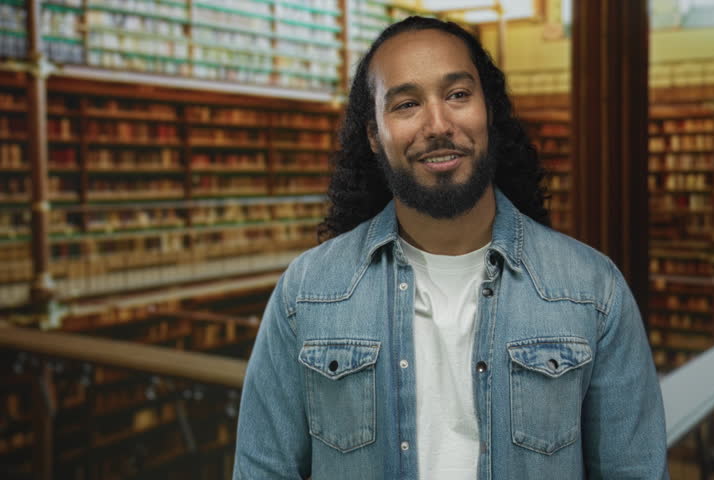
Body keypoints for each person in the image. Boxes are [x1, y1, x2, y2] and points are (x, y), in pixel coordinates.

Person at [234, 16, 668, 480]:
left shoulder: (593, 290)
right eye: (405, 104)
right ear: (374, 136)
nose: (438, 124)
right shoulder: (305, 294)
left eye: (458, 95)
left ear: (489, 112)